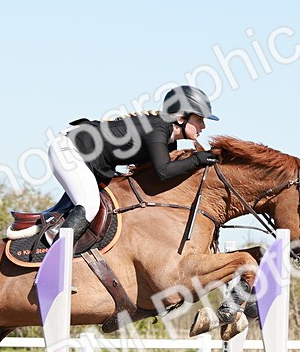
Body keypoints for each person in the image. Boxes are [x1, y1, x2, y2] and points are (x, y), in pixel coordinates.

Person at [47, 85, 220, 243]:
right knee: (89, 206)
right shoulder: (158, 129)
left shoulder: (167, 140)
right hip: (69, 150)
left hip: (87, 157)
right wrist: (198, 159)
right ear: (182, 118)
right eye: (199, 119)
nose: (203, 125)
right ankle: (55, 262)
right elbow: (163, 172)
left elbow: (159, 180)